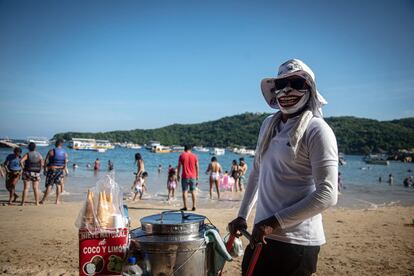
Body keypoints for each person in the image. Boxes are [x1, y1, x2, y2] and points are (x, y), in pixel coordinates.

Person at [228, 59, 338, 276]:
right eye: (280, 85)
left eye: (296, 83)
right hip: (262, 236)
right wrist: (242, 216)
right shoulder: (268, 124)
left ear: (309, 89)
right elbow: (257, 172)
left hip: (297, 243)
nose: (287, 90)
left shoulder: (317, 130)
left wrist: (274, 222)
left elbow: (328, 194)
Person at [40, 139, 68, 204]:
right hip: (60, 170)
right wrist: (63, 170)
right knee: (58, 185)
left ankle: (43, 200)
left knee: (49, 185)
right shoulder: (64, 153)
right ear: (61, 145)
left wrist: (44, 170)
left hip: (52, 170)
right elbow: (65, 163)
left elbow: (46, 161)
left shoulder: (51, 151)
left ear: (56, 144)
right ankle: (57, 201)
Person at [177, 145, 199, 211]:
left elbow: (179, 166)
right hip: (193, 176)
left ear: (184, 149)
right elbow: (197, 166)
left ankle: (185, 206)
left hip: (185, 176)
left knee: (185, 191)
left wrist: (178, 174)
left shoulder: (182, 155)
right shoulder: (194, 156)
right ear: (190, 149)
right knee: (193, 191)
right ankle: (194, 206)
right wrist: (197, 176)